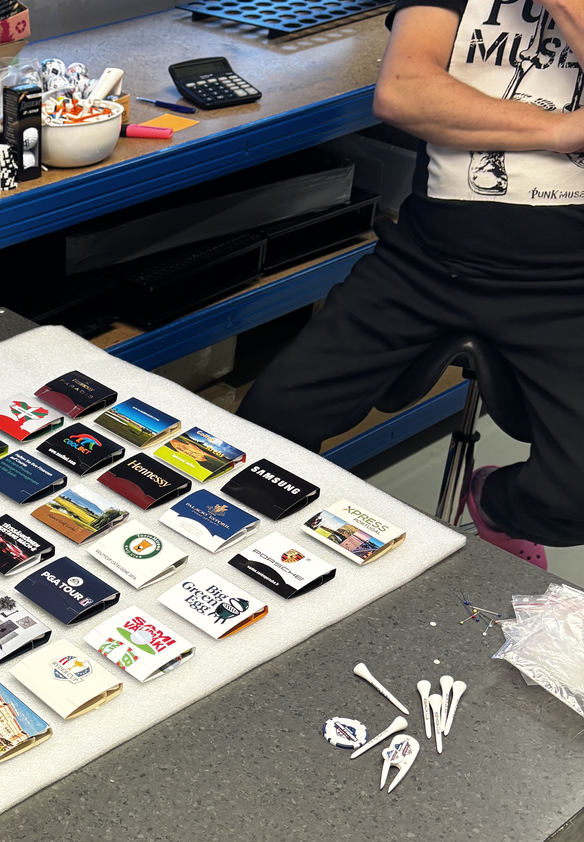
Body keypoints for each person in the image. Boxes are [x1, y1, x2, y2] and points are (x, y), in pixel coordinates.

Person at [238, 0, 584, 569]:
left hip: (568, 290)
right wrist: (559, 129)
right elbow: (402, 91)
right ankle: (298, 561)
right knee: (265, 431)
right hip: (425, 265)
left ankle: (495, 505)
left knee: (573, 500)